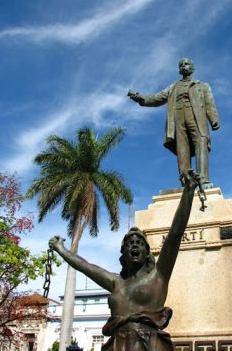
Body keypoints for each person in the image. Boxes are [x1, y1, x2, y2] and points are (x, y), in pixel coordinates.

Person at [49, 170, 199, 351]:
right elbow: (86, 266)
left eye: (139, 243)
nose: (134, 246)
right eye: (129, 244)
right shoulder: (116, 281)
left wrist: (189, 192)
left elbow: (176, 232)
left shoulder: (159, 275)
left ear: (146, 252)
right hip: (116, 345)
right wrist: (61, 250)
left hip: (147, 344)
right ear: (123, 253)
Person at [128, 58, 220, 189]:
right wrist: (141, 99)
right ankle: (186, 181)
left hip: (196, 117)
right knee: (182, 149)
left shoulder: (202, 86)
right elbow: (157, 98)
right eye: (181, 65)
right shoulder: (173, 87)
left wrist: (213, 119)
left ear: (192, 68)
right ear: (179, 70)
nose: (184, 66)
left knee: (201, 142)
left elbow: (209, 104)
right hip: (178, 117)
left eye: (186, 64)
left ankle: (204, 179)